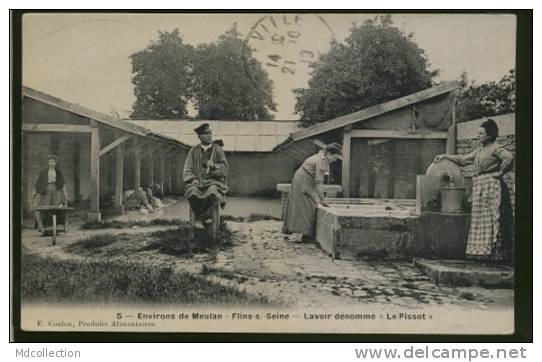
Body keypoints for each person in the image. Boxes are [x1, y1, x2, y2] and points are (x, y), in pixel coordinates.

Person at [434, 119, 514, 262]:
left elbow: (509, 157)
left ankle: (493, 253)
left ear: (489, 135)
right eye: (477, 133)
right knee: (480, 219)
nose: (478, 135)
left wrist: (500, 173)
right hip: (480, 187)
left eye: (481, 133)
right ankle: (480, 252)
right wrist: (445, 156)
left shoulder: (495, 148)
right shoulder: (479, 150)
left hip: (491, 187)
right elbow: (463, 159)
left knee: (491, 219)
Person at [282, 143, 342, 242]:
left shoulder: (322, 156)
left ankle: (304, 233)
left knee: (307, 204)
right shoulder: (321, 161)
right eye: (335, 158)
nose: (334, 160)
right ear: (329, 153)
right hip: (303, 179)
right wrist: (322, 200)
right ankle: (304, 234)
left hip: (303, 178)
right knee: (308, 205)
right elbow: (319, 184)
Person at [183, 124, 229, 229]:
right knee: (192, 191)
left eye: (210, 133)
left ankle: (202, 217)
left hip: (214, 182)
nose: (209, 136)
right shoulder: (193, 151)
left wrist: (214, 166)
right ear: (200, 136)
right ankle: (201, 218)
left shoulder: (217, 149)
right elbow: (187, 169)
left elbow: (225, 167)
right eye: (206, 134)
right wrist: (193, 179)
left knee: (212, 191)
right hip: (198, 182)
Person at [32, 154, 69, 232]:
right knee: (46, 206)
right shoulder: (44, 172)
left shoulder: (58, 172)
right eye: (50, 162)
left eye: (53, 162)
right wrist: (35, 192)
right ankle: (44, 225)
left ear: (55, 163)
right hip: (47, 190)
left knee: (58, 206)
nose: (51, 163)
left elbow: (62, 182)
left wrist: (65, 193)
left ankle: (59, 224)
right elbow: (39, 182)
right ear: (48, 163)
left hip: (56, 190)